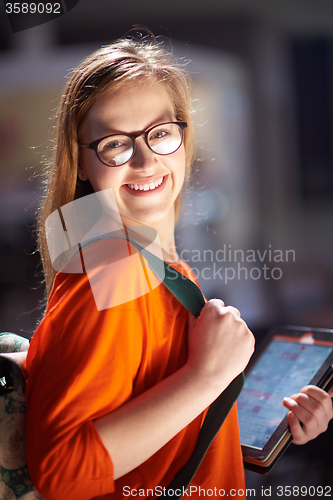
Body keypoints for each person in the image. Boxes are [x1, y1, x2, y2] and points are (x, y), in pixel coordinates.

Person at [24, 33, 333, 500]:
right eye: (114, 144)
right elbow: (64, 474)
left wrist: (254, 419)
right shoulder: (114, 272)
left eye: (161, 133)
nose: (147, 160)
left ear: (183, 140)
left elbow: (156, 437)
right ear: (81, 162)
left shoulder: (154, 265)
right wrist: (207, 377)